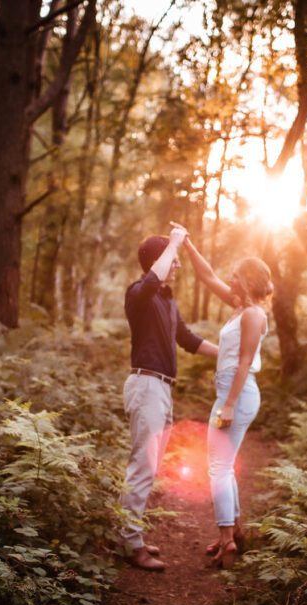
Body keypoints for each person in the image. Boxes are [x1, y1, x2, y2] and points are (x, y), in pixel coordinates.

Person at [121, 226, 218, 571]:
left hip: (162, 389)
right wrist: (175, 240)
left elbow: (188, 340)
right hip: (146, 385)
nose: (177, 264)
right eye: (172, 258)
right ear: (157, 260)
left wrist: (229, 356)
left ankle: (132, 536)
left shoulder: (167, 299)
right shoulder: (139, 293)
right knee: (142, 466)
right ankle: (131, 544)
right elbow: (151, 280)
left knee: (150, 466)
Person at [178, 224, 272, 569]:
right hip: (231, 393)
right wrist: (188, 243)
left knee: (217, 468)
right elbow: (207, 276)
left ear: (248, 281)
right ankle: (230, 533)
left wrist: (229, 404)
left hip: (239, 395)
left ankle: (227, 538)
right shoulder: (239, 306)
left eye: (236, 277)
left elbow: (245, 361)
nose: (230, 280)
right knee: (223, 466)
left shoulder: (253, 314)